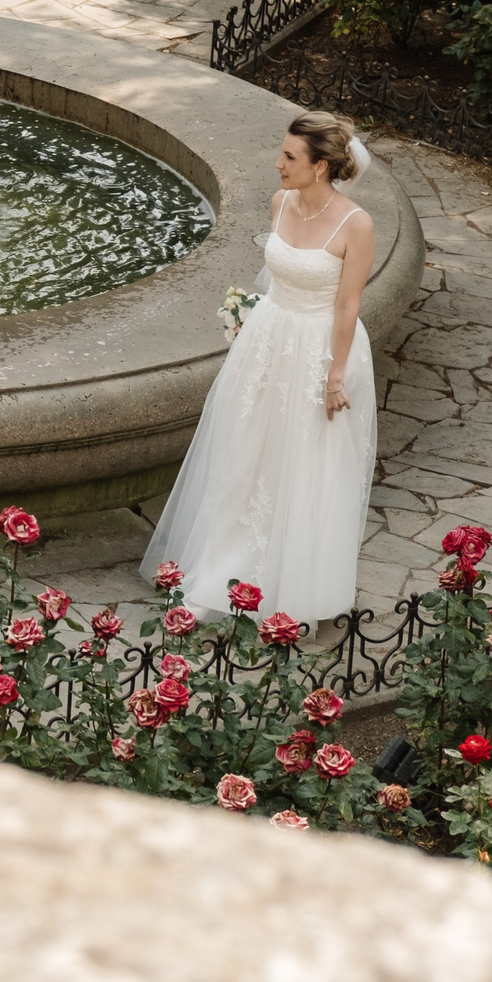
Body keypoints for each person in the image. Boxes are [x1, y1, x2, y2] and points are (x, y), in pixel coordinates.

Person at [140, 112, 378, 622]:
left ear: (320, 167)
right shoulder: (280, 202)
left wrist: (335, 377)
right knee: (244, 452)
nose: (278, 164)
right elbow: (274, 277)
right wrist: (249, 321)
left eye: (289, 157)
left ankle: (291, 583)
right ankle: (223, 566)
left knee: (302, 462)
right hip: (269, 340)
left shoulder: (354, 224)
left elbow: (347, 306)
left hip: (320, 351)